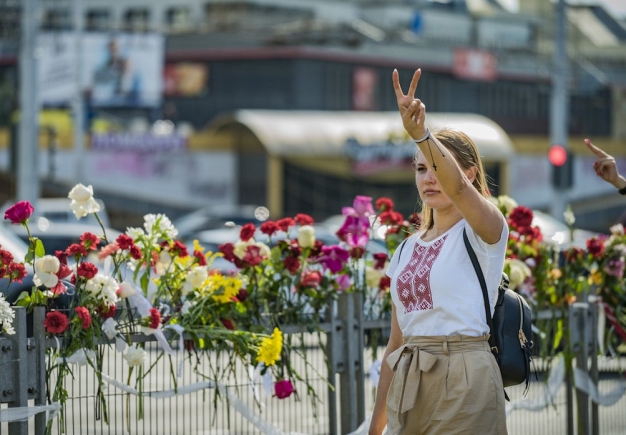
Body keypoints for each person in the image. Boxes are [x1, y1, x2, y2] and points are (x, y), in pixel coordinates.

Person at [369, 69, 508, 435]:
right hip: (410, 381)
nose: (429, 178)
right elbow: (395, 344)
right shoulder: (405, 249)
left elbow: (461, 191)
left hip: (466, 376)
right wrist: (375, 426)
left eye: (436, 169)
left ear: (469, 173)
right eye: (420, 168)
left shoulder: (485, 230)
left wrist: (420, 135)